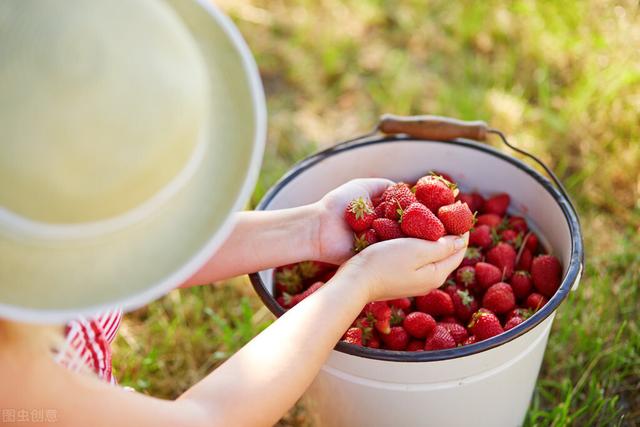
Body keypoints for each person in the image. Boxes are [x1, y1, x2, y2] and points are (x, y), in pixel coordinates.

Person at [0, 2, 468, 426]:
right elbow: (208, 421)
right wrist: (357, 282)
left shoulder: (32, 204)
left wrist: (313, 229)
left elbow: (130, 249)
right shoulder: (14, 382)